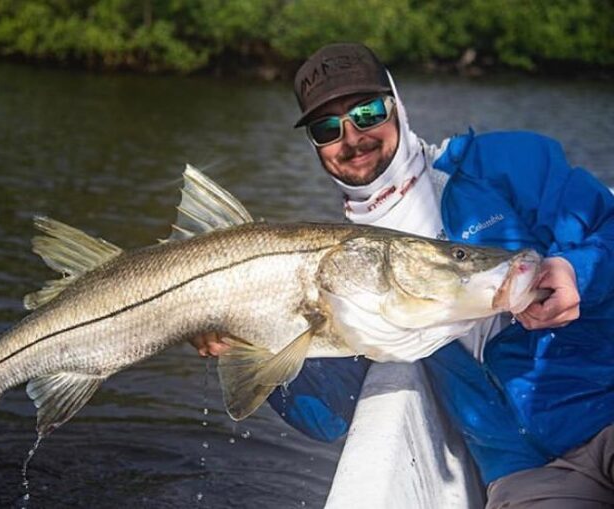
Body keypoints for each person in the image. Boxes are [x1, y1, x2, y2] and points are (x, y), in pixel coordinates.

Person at [191, 43, 614, 507]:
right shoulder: (337, 263)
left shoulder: (500, 165)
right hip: (524, 471)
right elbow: (327, 417)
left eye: (368, 112)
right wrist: (249, 342)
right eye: (326, 128)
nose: (352, 138)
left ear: (398, 105)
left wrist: (578, 269)